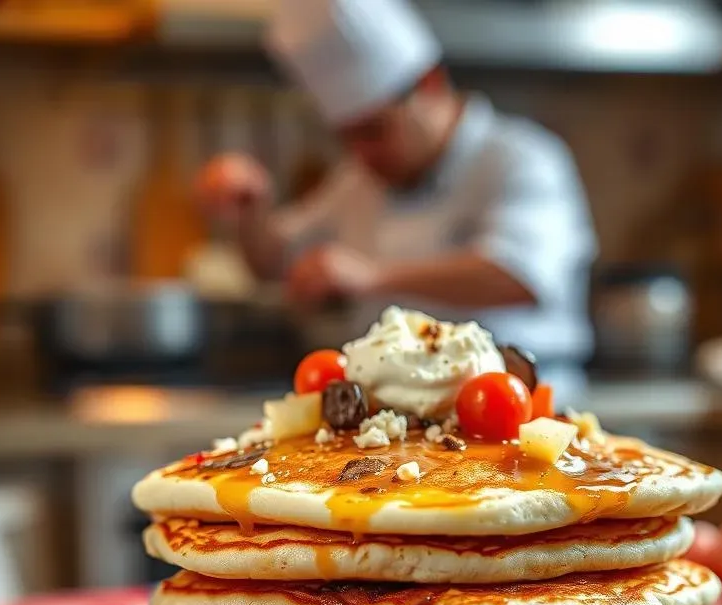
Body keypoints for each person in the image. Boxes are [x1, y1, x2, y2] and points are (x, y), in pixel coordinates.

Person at [197, 0, 596, 405]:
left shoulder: (522, 158)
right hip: (392, 416)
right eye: (348, 137)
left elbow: (521, 275)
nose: (363, 153)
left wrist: (372, 276)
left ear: (428, 84)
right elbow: (277, 264)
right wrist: (251, 212)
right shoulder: (357, 180)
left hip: (517, 404)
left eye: (374, 130)